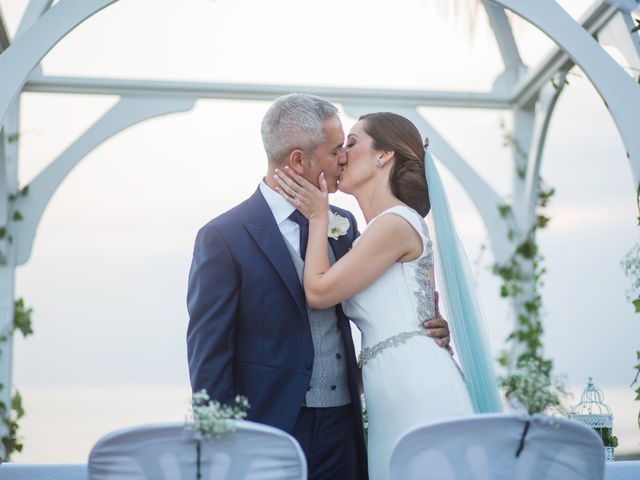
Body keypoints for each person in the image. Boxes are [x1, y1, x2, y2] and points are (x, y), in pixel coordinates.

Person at [186, 95, 453, 480]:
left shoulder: (343, 223)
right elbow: (208, 354)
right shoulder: (224, 237)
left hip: (343, 428)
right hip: (268, 428)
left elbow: (384, 291)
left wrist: (427, 320)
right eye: (334, 151)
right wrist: (219, 444)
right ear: (297, 161)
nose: (343, 158)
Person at [274, 111, 501, 480]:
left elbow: (317, 291)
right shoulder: (371, 235)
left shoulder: (397, 223)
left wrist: (318, 216)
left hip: (419, 390)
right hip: (388, 393)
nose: (342, 154)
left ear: (384, 156)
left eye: (352, 143)